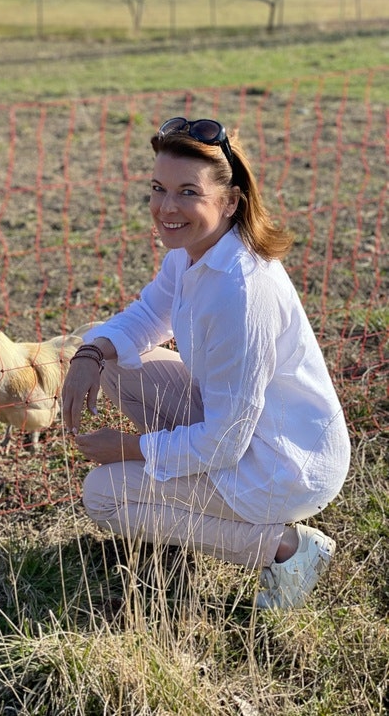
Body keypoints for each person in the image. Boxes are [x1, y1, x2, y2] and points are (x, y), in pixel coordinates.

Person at [62, 117, 351, 610]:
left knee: (103, 495)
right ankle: (175, 504)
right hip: (244, 429)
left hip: (282, 464)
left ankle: (288, 549)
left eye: (187, 192)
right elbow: (153, 312)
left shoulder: (240, 290)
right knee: (115, 361)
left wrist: (129, 448)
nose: (166, 208)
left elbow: (225, 440)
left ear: (231, 201)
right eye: (158, 188)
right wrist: (90, 352)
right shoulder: (195, 249)